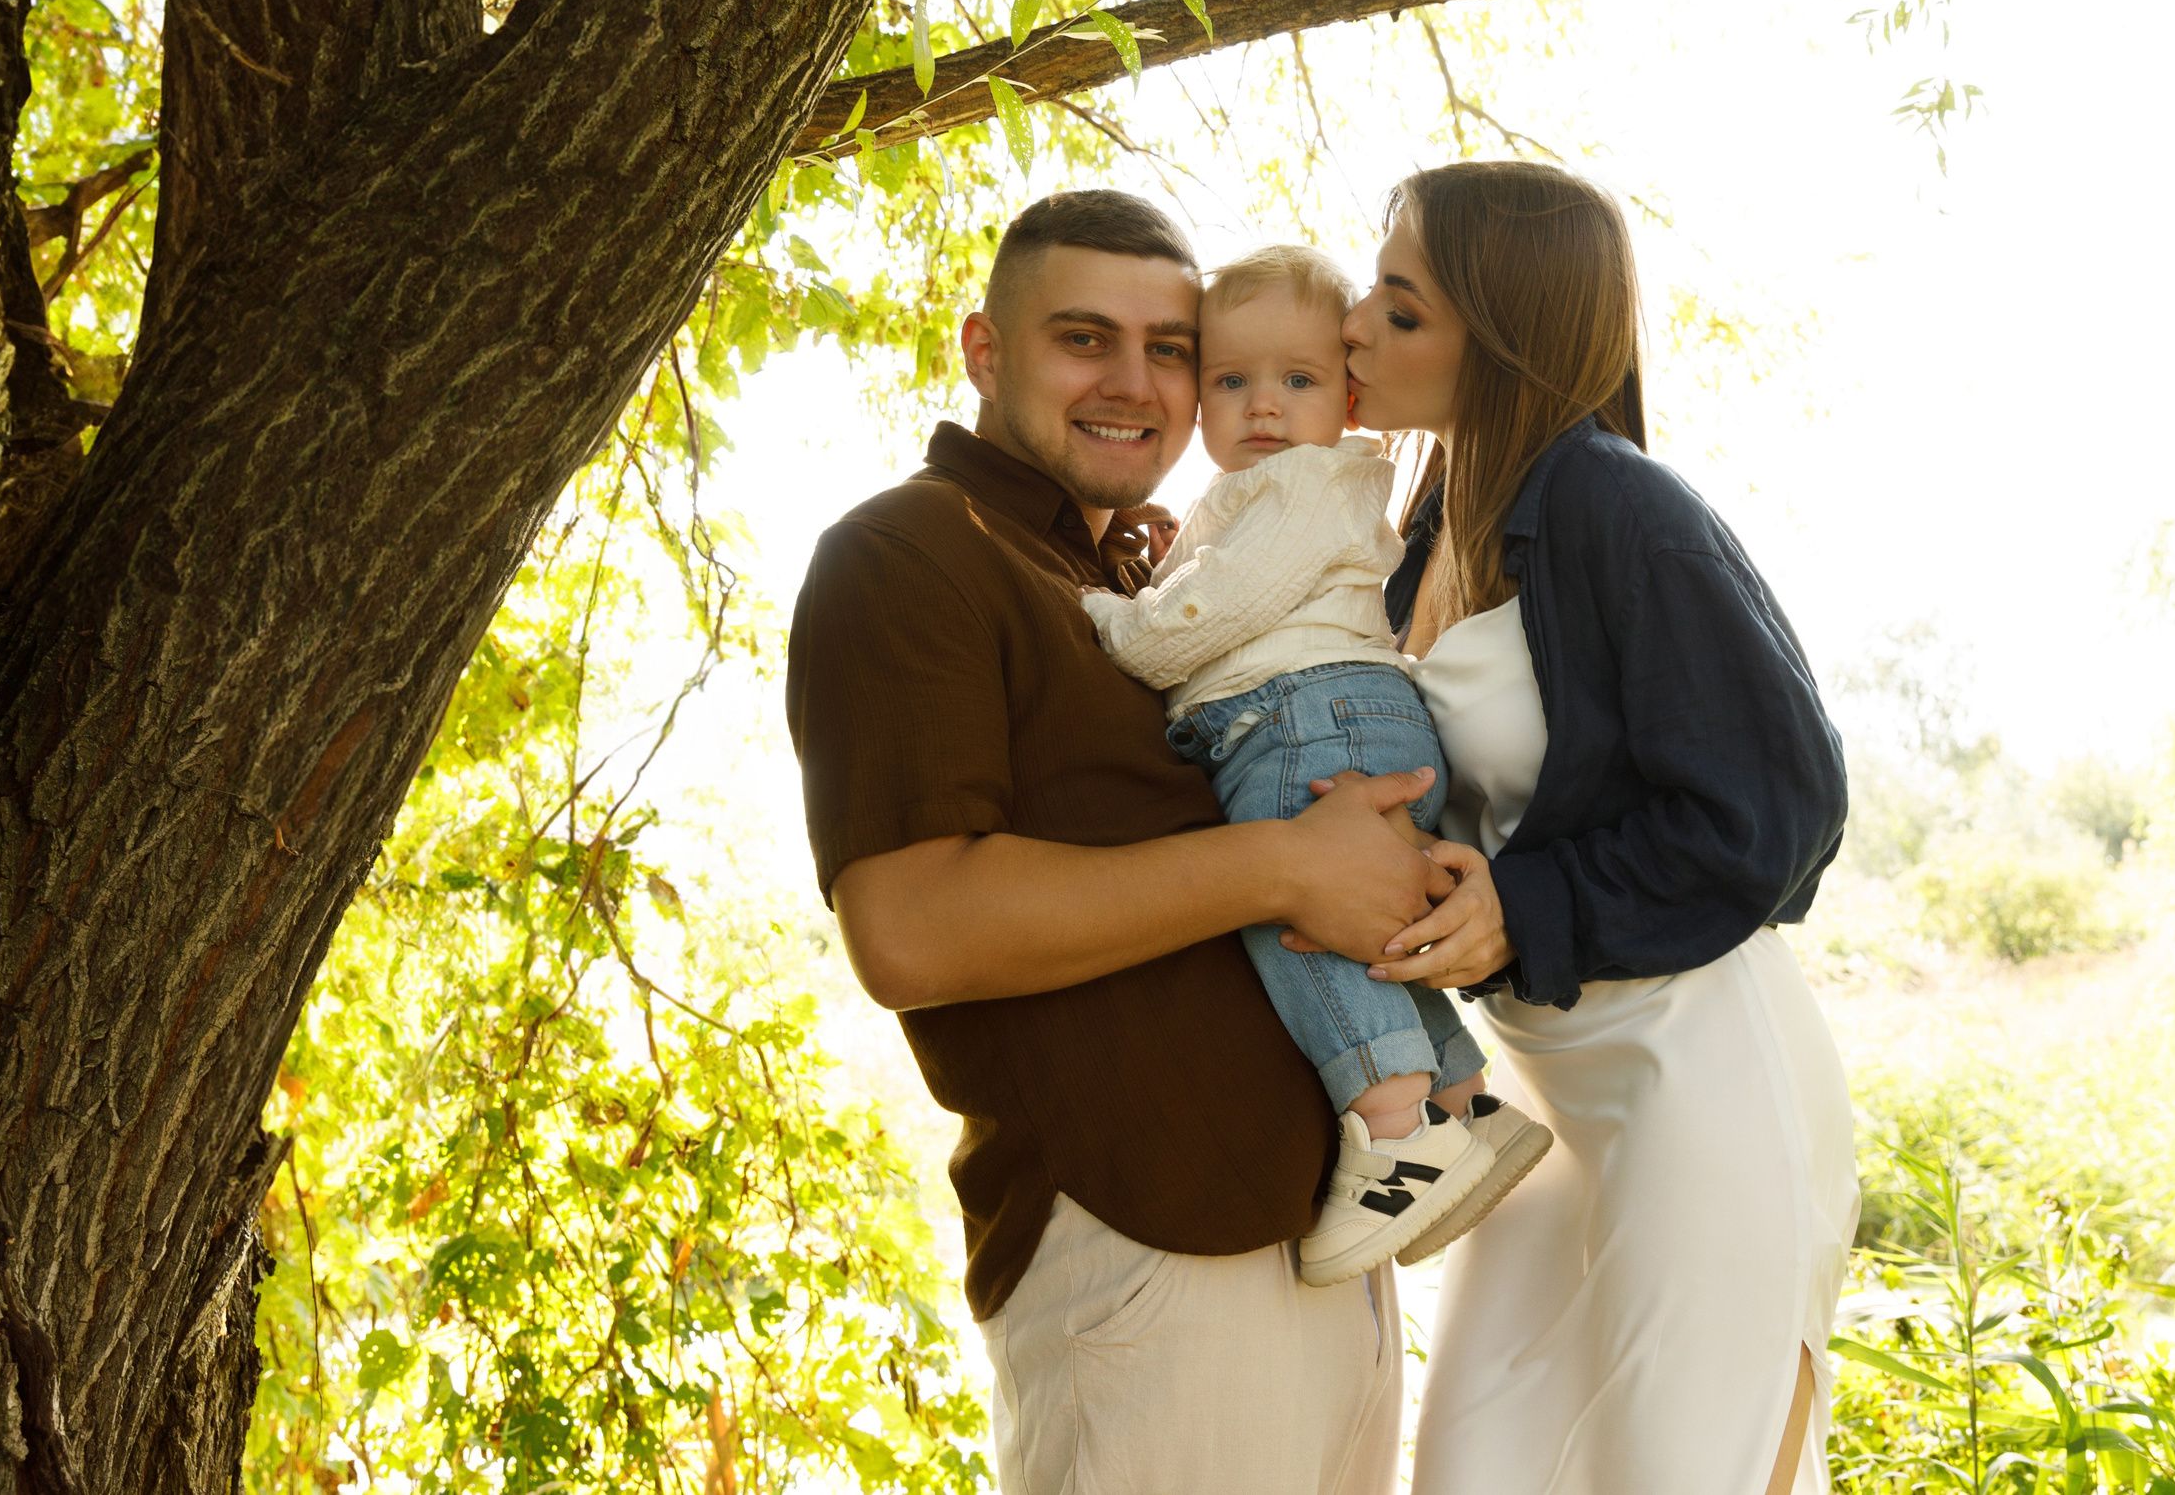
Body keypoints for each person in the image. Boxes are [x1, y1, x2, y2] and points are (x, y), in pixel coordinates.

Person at [785, 190, 1503, 1495]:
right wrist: (1288, 863)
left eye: (1169, 346)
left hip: (1318, 1243)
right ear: (985, 350)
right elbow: (908, 926)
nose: (1133, 381)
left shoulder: (1130, 575)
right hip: (1146, 1257)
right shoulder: (907, 554)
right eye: (1081, 338)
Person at [1336, 161, 1859, 1495]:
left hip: (1696, 1085)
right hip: (1538, 1103)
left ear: (1499, 337)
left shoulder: (1629, 514)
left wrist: (1524, 903)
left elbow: (1779, 807)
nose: (1353, 325)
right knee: (1471, 1466)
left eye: (1401, 310)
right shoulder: (1421, 532)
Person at [1081, 244, 1552, 1286]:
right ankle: (1463, 1104)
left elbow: (1205, 617)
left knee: (1293, 913)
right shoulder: (1282, 488)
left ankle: (1393, 1141)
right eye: (1230, 380)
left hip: (1300, 716)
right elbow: (1226, 576)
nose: (1263, 406)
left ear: (1348, 397)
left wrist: (1118, 623)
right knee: (1364, 919)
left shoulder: (1301, 484)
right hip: (1331, 708)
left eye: (1296, 381)